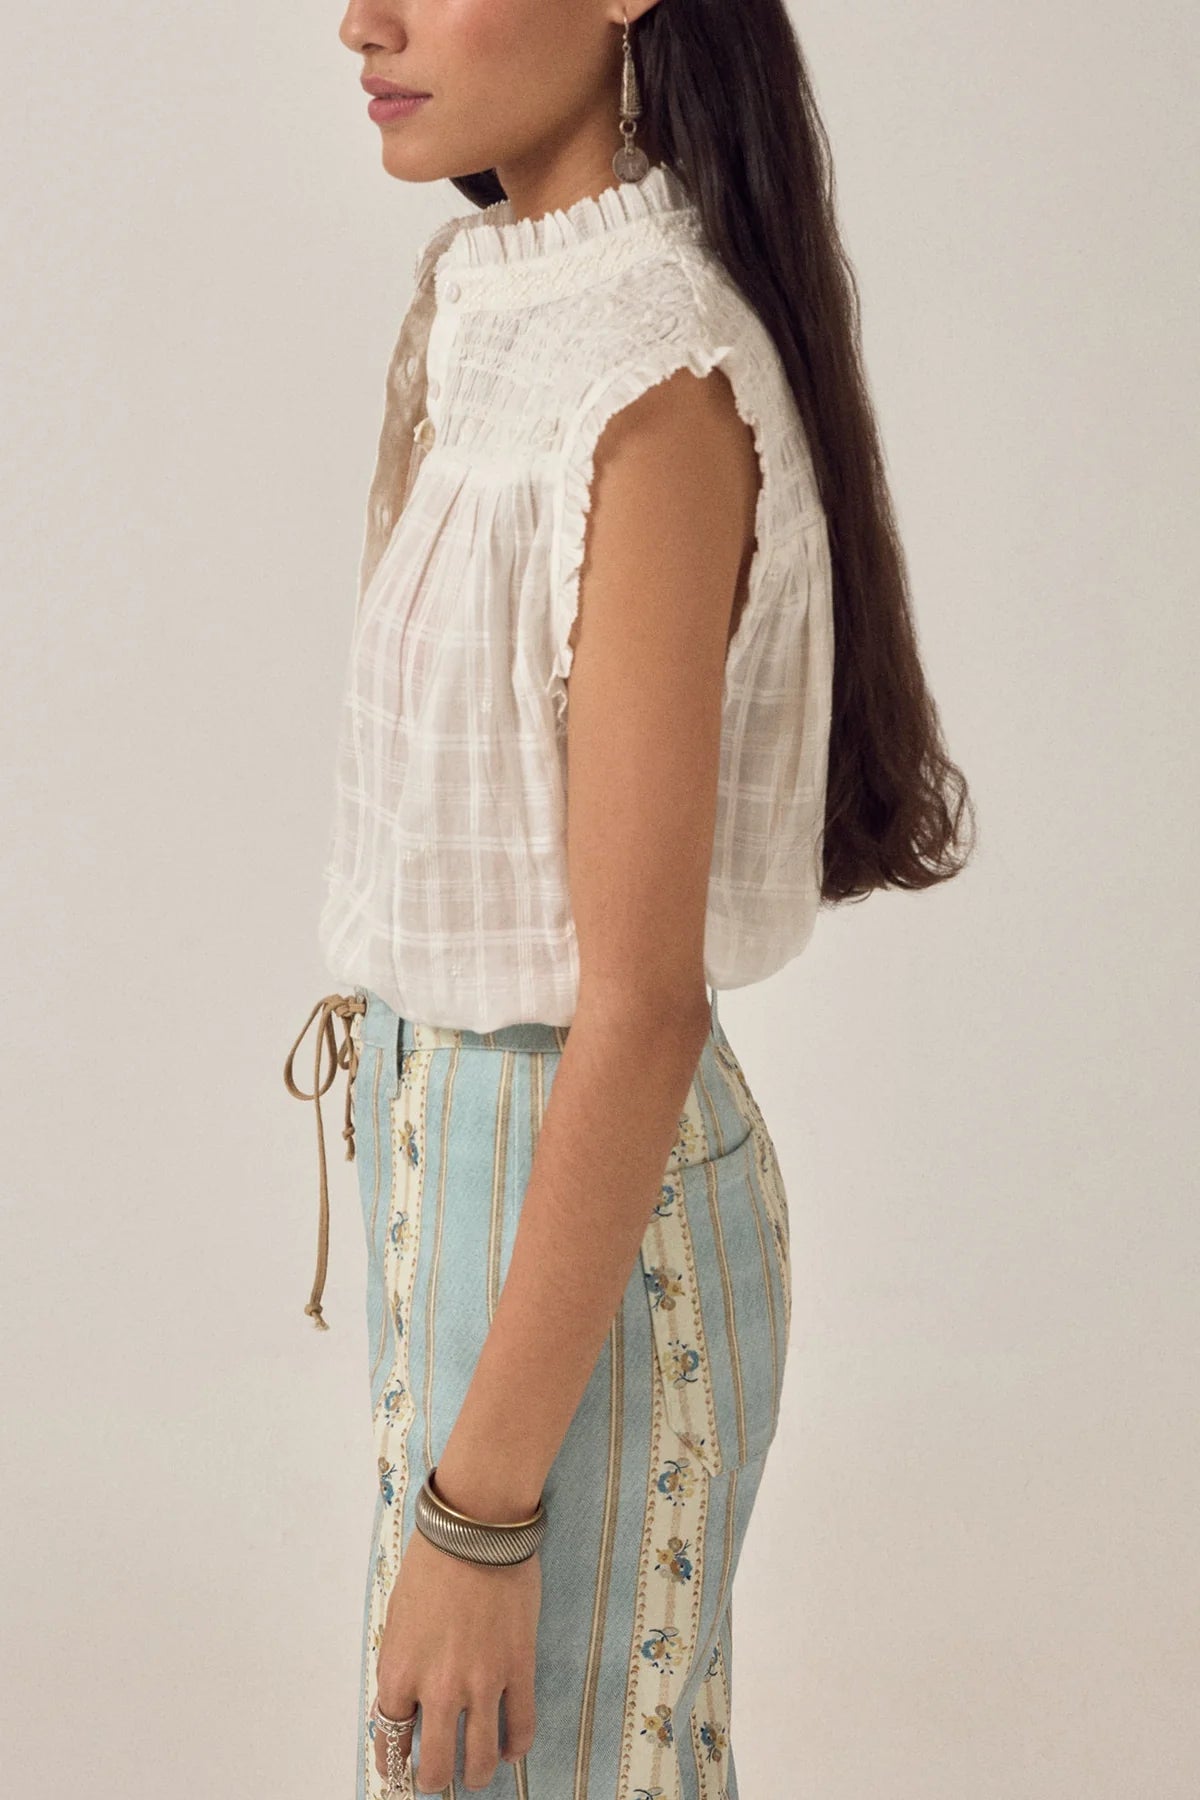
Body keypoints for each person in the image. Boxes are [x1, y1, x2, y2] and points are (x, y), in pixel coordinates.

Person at [283, 3, 973, 1795]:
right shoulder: (496, 303)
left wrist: (481, 1518)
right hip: (474, 1199)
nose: (362, 20)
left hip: (579, 1217)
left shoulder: (653, 378)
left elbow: (643, 1002)